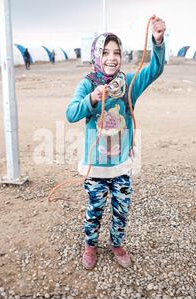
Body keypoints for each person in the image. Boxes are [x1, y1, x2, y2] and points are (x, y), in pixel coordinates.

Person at [65, 15, 166, 270]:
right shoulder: (87, 83)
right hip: (95, 167)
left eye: (117, 52)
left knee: (122, 209)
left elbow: (154, 69)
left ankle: (117, 243)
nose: (112, 57)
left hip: (121, 164)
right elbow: (71, 113)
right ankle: (90, 245)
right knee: (94, 209)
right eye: (106, 52)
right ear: (97, 55)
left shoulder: (129, 83)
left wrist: (158, 40)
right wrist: (92, 98)